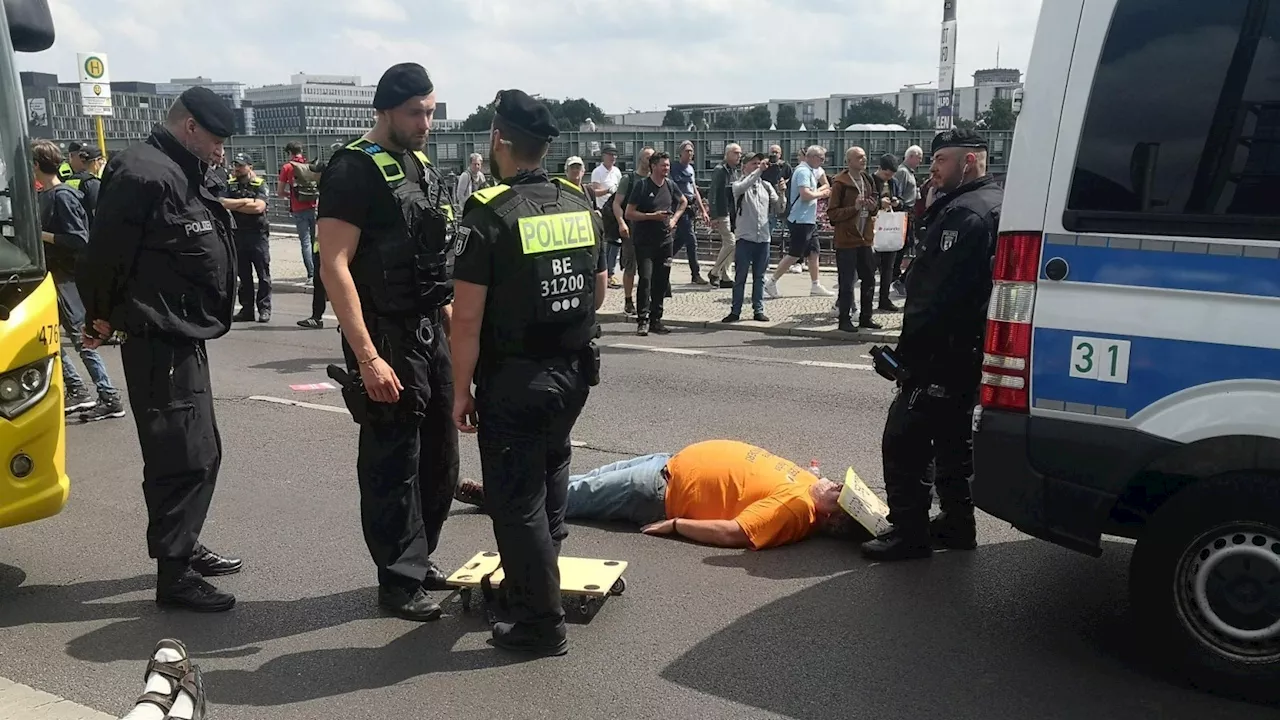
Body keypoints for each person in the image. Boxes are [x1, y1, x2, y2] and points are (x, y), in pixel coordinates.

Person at [450, 88, 607, 656]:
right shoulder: (577, 200)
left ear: (498, 140)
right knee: (552, 473)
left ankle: (540, 622)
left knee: (516, 505)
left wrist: (459, 390)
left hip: (515, 379)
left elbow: (465, 317)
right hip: (571, 372)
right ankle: (539, 579)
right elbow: (598, 288)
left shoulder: (488, 212)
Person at [77, 86, 243, 611]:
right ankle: (174, 575)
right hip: (157, 336)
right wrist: (99, 315)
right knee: (183, 456)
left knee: (201, 450)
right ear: (189, 126)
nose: (221, 151)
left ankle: (184, 546)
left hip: (183, 334)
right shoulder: (141, 172)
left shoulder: (183, 169)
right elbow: (104, 256)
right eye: (215, 139)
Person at [316, 63, 460, 622]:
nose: (426, 122)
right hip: (385, 334)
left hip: (429, 330)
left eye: (430, 111)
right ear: (384, 111)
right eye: (414, 113)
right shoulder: (354, 170)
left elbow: (432, 261)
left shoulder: (419, 165)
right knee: (393, 462)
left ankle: (420, 559)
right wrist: (368, 356)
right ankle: (397, 580)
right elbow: (334, 264)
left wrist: (452, 328)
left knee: (440, 460)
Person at [861, 129, 1003, 562]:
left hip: (944, 351)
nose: (933, 169)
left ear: (970, 162)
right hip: (975, 349)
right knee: (953, 443)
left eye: (941, 160)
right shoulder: (998, 203)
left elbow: (934, 297)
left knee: (904, 440)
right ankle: (958, 525)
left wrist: (908, 359)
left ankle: (909, 532)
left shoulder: (966, 215)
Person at [454, 440, 847, 550]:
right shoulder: (810, 486)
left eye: (839, 495)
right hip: (666, 462)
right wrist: (813, 474)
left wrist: (678, 524)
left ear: (831, 518)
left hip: (658, 490)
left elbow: (737, 532)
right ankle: (509, 494)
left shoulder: (797, 510)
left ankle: (500, 499)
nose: (835, 485)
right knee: (577, 483)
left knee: (570, 497)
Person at [31, 139, 125, 422]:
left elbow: (78, 239)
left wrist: (40, 236)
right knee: (49, 339)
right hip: (53, 278)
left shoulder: (62, 197)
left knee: (79, 338)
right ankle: (77, 389)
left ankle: (109, 396)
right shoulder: (46, 195)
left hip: (67, 278)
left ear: (36, 166)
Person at [624, 150, 686, 336]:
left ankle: (656, 320)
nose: (666, 168)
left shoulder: (670, 185)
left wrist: (674, 219)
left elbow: (683, 202)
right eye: (663, 165)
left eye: (668, 165)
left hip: (665, 241)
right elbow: (629, 213)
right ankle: (642, 320)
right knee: (646, 280)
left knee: (661, 281)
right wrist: (652, 216)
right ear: (653, 166)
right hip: (644, 242)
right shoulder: (642, 186)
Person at [765, 145, 835, 298]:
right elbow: (805, 195)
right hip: (800, 219)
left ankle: (815, 285)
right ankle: (771, 282)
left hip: (808, 219)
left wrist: (820, 190)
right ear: (811, 157)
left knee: (814, 251)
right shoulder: (803, 171)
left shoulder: (810, 170)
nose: (823, 162)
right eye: (821, 159)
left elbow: (821, 186)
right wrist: (822, 193)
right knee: (795, 253)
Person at [826, 146, 882, 332]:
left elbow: (873, 207)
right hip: (847, 239)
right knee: (847, 282)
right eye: (859, 157)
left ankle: (866, 317)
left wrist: (873, 207)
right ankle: (844, 319)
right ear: (849, 161)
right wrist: (854, 208)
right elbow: (833, 214)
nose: (863, 160)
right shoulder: (840, 183)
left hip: (864, 237)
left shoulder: (867, 179)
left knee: (869, 279)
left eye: (865, 156)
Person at [722, 152, 782, 324]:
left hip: (763, 239)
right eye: (753, 163)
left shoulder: (766, 186)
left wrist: (782, 192)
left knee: (759, 277)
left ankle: (758, 309)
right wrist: (758, 172)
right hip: (745, 238)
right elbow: (744, 185)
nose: (758, 166)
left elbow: (779, 207)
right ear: (744, 166)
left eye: (759, 163)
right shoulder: (738, 184)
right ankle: (735, 311)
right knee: (740, 277)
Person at [222, 154, 272, 323]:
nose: (236, 169)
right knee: (243, 276)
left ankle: (264, 309)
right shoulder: (230, 184)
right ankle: (246, 310)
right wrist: (245, 201)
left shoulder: (259, 184)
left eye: (241, 166)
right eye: (235, 165)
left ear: (250, 166)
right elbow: (222, 202)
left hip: (258, 234)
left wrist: (236, 205)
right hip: (238, 234)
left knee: (263, 274)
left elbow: (259, 207)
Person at [608, 146, 653, 315]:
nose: (651, 161)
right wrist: (621, 223)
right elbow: (616, 204)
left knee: (648, 268)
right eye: (648, 157)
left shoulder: (655, 180)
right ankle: (628, 300)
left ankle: (646, 300)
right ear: (641, 159)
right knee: (630, 266)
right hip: (631, 229)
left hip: (649, 230)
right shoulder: (629, 179)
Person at [278, 141, 319, 283]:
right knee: (316, 241)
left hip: (298, 208)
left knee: (305, 242)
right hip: (314, 206)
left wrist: (291, 195)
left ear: (289, 152)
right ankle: (320, 273)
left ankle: (311, 275)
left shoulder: (287, 167)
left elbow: (279, 192)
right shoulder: (310, 165)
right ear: (301, 151)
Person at [669, 140, 709, 285]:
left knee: (680, 240)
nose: (690, 153)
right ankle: (695, 274)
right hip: (680, 208)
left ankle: (662, 259)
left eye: (691, 151)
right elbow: (671, 188)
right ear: (680, 153)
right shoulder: (674, 169)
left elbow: (694, 190)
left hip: (691, 207)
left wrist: (703, 210)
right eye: (687, 151)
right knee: (691, 240)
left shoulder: (690, 169)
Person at [705, 144, 742, 288]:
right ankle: (715, 272)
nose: (738, 156)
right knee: (731, 242)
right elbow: (713, 192)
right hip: (722, 212)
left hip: (730, 212)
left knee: (729, 243)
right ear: (727, 154)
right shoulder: (720, 170)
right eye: (735, 153)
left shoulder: (733, 171)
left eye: (739, 153)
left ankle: (726, 276)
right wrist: (713, 215)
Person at [872, 153, 903, 312]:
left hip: (889, 229)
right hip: (874, 228)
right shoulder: (870, 181)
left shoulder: (894, 182)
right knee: (871, 267)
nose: (888, 178)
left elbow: (901, 201)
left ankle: (884, 299)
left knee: (888, 268)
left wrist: (897, 202)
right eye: (886, 174)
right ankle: (867, 301)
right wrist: (878, 203)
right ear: (880, 168)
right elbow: (867, 202)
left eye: (891, 175)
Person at [65, 145, 105, 226]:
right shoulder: (93, 183)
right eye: (101, 160)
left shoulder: (69, 180)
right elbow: (98, 213)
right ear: (96, 161)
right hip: (90, 230)